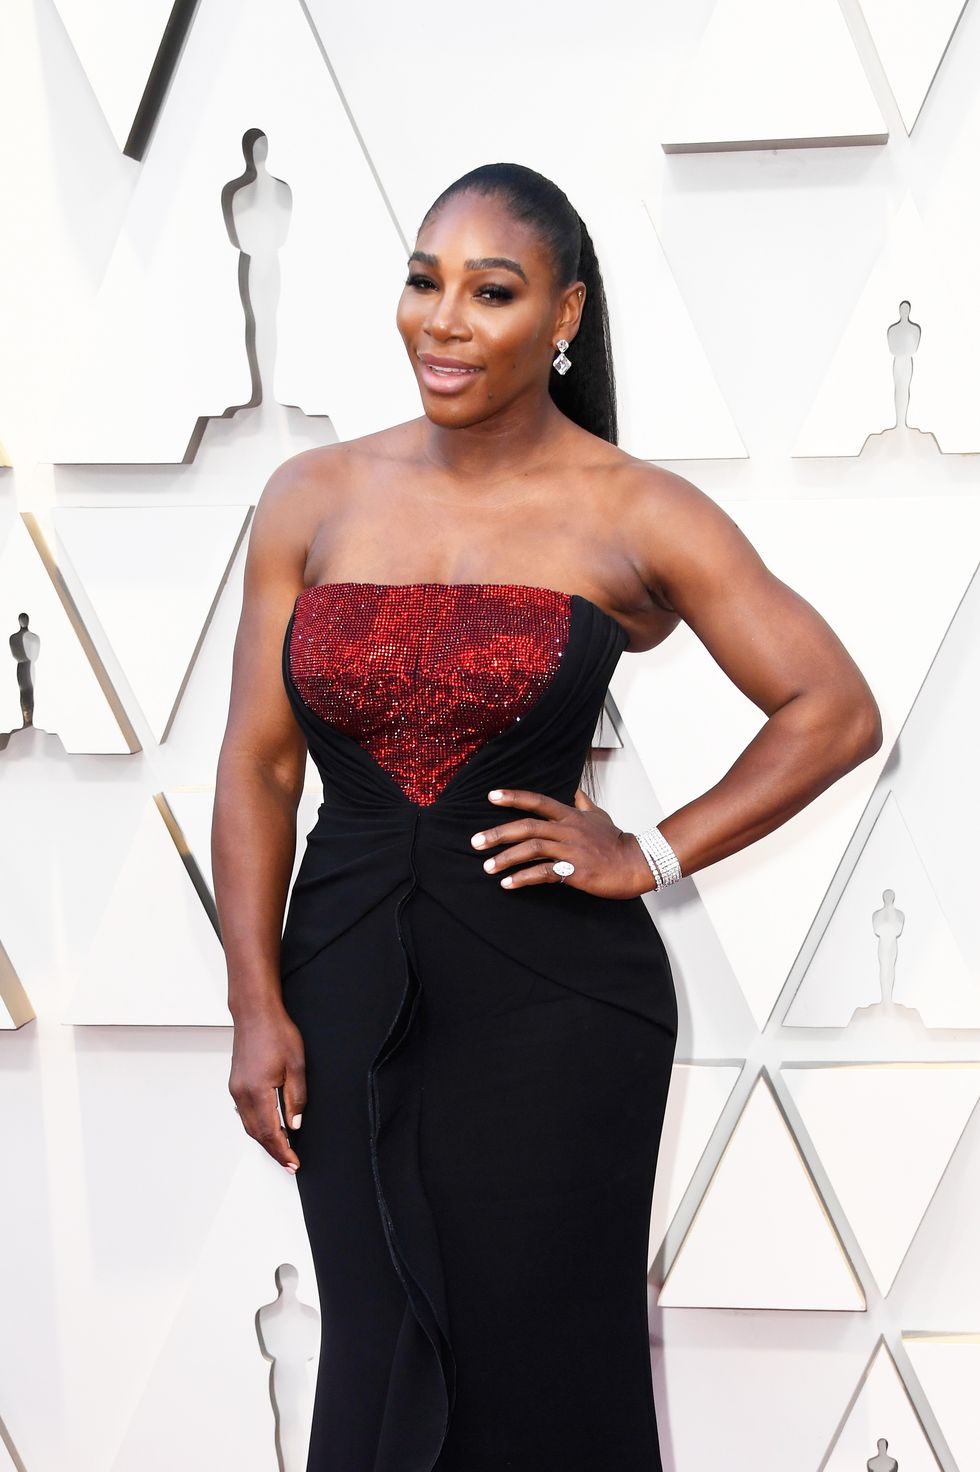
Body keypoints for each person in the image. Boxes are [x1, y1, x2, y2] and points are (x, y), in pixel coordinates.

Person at [211, 161, 883, 1472]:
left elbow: (834, 709)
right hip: (340, 987)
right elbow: (258, 766)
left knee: (546, 1364)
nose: (443, 320)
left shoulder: (633, 510)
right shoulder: (313, 495)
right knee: (374, 1345)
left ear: (564, 314)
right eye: (425, 282)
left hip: (558, 1011)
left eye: (492, 292)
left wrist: (652, 852)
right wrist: (254, 1000)